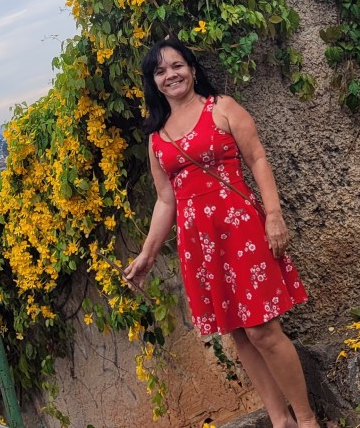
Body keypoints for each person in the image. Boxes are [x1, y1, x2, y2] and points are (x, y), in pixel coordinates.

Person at [123, 37, 321, 428]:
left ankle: (307, 419)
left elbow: (257, 158)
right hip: (199, 245)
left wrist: (274, 215)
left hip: (240, 230)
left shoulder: (222, 108)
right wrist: (146, 254)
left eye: (176, 66)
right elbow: (166, 201)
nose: (170, 75)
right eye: (160, 71)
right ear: (153, 82)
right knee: (239, 334)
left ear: (192, 69)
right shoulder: (157, 138)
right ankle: (280, 420)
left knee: (262, 330)